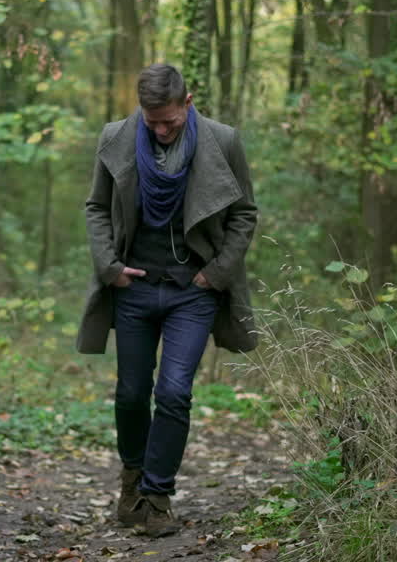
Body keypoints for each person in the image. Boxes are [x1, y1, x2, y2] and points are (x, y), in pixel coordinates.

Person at [79, 63, 258, 537]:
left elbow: (244, 214)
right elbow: (97, 207)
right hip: (132, 286)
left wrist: (216, 274)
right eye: (151, 121)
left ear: (189, 102)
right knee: (132, 393)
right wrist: (110, 268)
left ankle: (157, 498)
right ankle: (132, 476)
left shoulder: (223, 141)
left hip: (192, 290)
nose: (159, 130)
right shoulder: (116, 137)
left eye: (170, 122)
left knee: (175, 392)